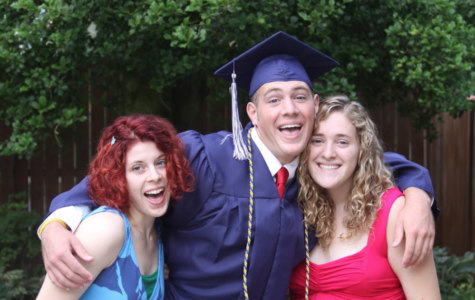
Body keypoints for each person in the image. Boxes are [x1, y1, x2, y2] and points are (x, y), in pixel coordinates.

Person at [38, 32, 437, 299]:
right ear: (251, 111)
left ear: (315, 107)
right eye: (274, 99)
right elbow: (115, 174)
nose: (289, 109)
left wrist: (418, 196)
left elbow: (375, 161)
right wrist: (56, 227)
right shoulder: (201, 157)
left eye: (300, 96)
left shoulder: (316, 168)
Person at [289, 96, 440, 299]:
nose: (328, 153)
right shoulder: (299, 209)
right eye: (317, 140)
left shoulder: (395, 213)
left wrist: (419, 198)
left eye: (342, 142)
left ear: (362, 150)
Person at [37, 114, 194, 299]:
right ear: (118, 178)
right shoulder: (106, 228)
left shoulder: (157, 230)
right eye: (138, 167)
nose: (155, 175)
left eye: (161, 163)